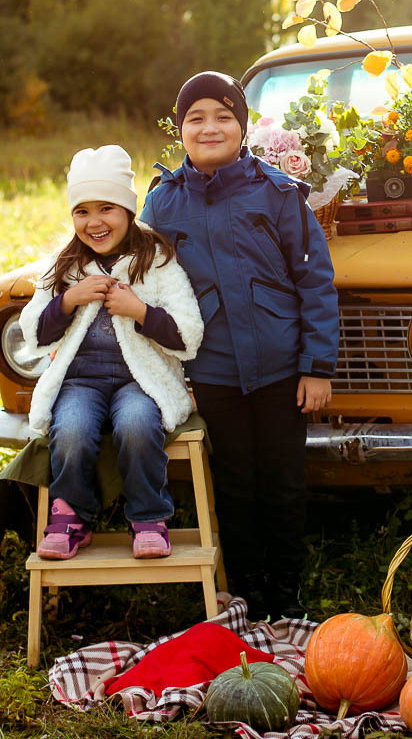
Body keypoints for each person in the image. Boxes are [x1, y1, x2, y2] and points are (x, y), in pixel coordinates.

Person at [140, 71, 339, 620]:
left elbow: (315, 282)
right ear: (180, 130)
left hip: (280, 372)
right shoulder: (162, 205)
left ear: (243, 127)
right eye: (195, 118)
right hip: (212, 374)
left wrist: (316, 367)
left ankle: (287, 593)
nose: (210, 128)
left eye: (223, 116)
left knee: (281, 481)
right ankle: (249, 590)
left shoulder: (277, 194)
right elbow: (147, 293)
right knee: (234, 485)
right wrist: (173, 377)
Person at [20, 145, 204, 561]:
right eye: (82, 211)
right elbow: (34, 330)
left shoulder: (155, 261)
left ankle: (149, 517)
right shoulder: (64, 266)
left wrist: (140, 311)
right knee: (69, 430)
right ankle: (71, 517)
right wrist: (67, 301)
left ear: (128, 210)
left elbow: (188, 334)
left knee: (139, 424)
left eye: (107, 208)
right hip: (80, 381)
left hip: (140, 380)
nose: (95, 221)